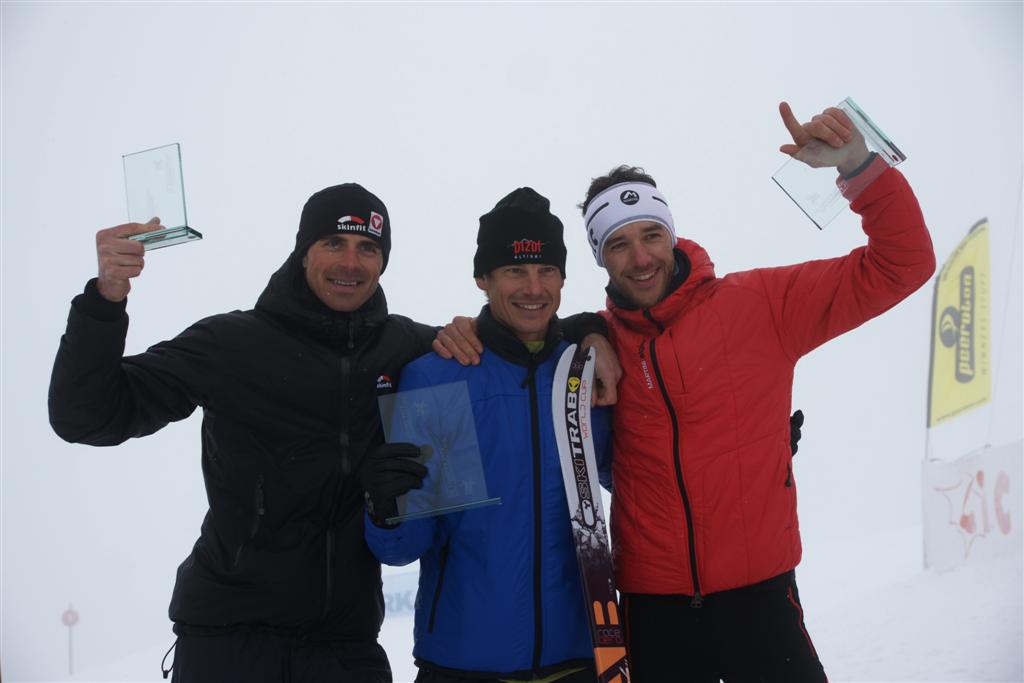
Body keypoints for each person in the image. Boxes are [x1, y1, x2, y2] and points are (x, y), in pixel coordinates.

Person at [434, 101, 935, 681]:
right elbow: (520, 346)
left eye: (651, 235)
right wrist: (511, 329)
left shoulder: (762, 305)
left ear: (671, 235)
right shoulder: (595, 348)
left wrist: (858, 167)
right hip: (654, 612)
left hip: (759, 600)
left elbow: (903, 264)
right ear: (600, 258)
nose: (640, 257)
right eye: (618, 244)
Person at [48, 184, 438, 682]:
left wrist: (488, 331)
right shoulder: (231, 344)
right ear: (303, 252)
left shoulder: (406, 347)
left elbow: (504, 347)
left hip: (346, 649)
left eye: (368, 248)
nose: (350, 262)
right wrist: (105, 300)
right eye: (333, 243)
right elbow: (87, 415)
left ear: (383, 263)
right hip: (227, 644)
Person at [362, 188, 612, 683]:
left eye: (547, 270)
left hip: (582, 656)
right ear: (483, 278)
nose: (533, 288)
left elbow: (636, 481)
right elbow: (402, 549)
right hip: (464, 662)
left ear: (563, 278)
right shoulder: (439, 378)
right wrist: (386, 507)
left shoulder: (587, 376)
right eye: (515, 270)